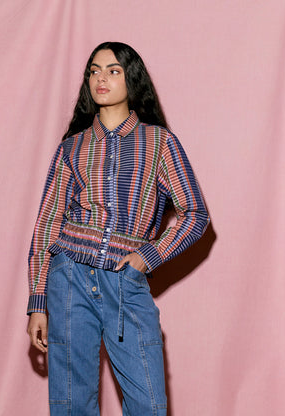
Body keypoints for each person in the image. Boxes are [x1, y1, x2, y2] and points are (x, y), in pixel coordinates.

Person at [26, 41, 210, 416]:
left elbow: (195, 214)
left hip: (126, 281)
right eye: (94, 70)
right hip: (69, 278)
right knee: (71, 404)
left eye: (113, 70)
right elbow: (47, 226)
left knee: (149, 404)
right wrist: (38, 302)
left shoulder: (159, 143)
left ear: (132, 79)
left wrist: (145, 258)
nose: (101, 78)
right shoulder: (71, 148)